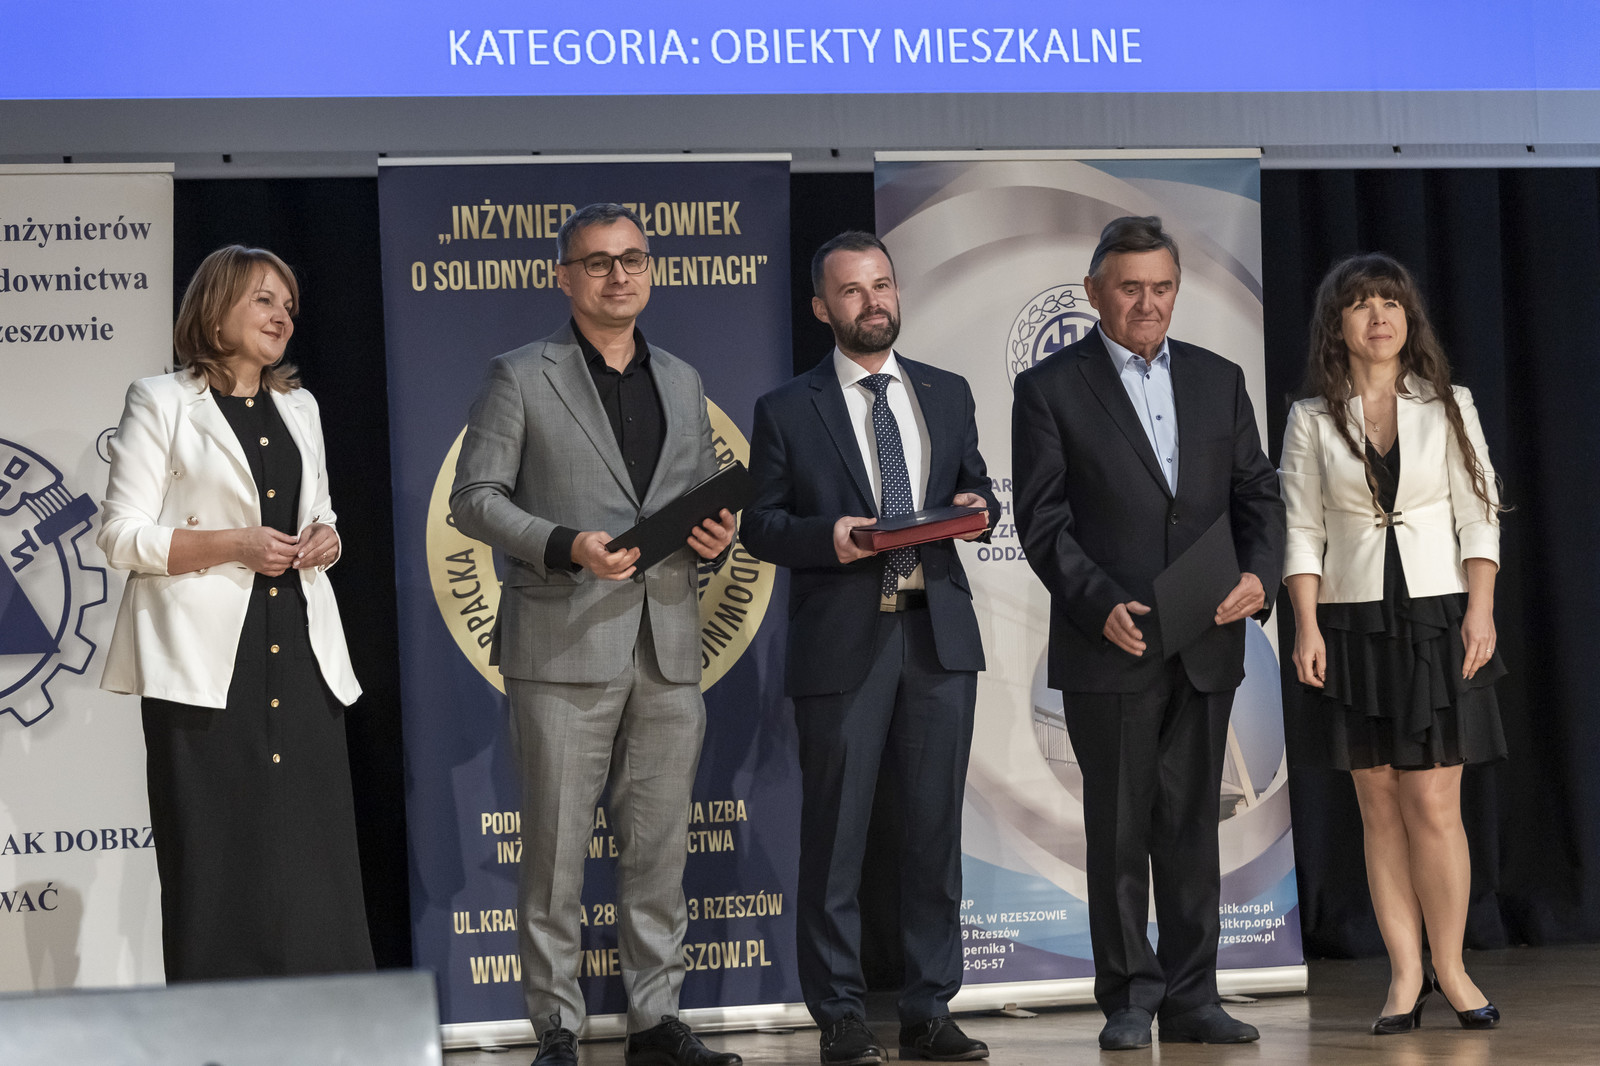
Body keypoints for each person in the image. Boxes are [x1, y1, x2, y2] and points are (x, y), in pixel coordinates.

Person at [450, 203, 739, 1066]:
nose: (620, 275)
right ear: (563, 277)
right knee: (554, 855)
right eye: (599, 262)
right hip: (562, 640)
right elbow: (474, 498)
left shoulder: (681, 379)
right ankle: (557, 1029)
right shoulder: (520, 375)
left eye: (633, 259)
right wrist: (565, 544)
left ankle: (655, 1020)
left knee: (659, 850)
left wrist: (716, 537)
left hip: (669, 644)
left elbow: (699, 493)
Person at [1011, 217, 1285, 1050]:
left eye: (1162, 287)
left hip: (1206, 638)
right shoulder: (1050, 388)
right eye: (1130, 288)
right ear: (1095, 292)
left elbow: (1258, 493)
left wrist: (1260, 576)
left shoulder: (1218, 378)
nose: (1148, 303)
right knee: (1120, 832)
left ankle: (1194, 997)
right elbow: (1042, 521)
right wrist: (1098, 603)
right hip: (1113, 641)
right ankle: (1130, 998)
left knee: (1193, 829)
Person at [742, 232, 998, 1066]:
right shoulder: (789, 407)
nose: (872, 301)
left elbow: (975, 484)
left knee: (933, 836)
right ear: (823, 308)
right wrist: (834, 537)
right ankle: (842, 1017)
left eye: (882, 284)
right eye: (852, 291)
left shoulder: (946, 391)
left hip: (936, 635)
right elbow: (761, 525)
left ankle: (930, 1009)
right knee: (837, 841)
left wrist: (980, 507)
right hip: (843, 641)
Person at [98, 244, 372, 979]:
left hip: (303, 655)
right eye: (263, 300)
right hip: (204, 665)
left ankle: (328, 1023)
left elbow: (322, 515)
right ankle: (218, 1025)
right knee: (216, 855)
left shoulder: (300, 406)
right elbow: (120, 536)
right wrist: (234, 544)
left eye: (289, 305)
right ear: (215, 308)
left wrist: (327, 540)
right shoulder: (160, 400)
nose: (282, 316)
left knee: (312, 856)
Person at [1280, 252, 1505, 1034]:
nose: (1378, 316)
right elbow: (1301, 529)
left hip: (1438, 614)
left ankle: (1454, 968)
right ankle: (1406, 976)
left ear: (1409, 319)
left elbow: (1480, 511)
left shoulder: (1448, 403)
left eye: (1390, 302)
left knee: (1434, 804)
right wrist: (1306, 625)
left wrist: (1481, 610)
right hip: (1350, 618)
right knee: (1378, 806)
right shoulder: (1312, 417)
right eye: (1361, 303)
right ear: (1336, 324)